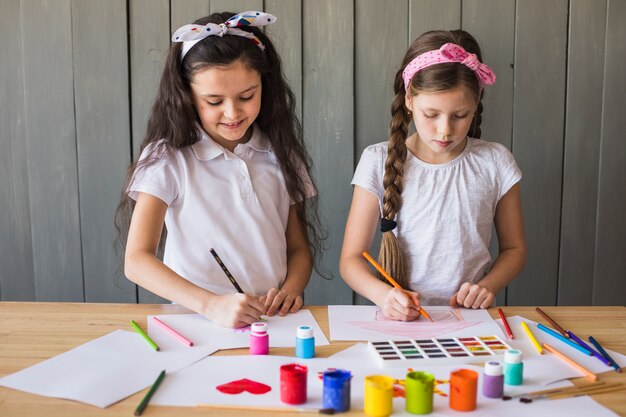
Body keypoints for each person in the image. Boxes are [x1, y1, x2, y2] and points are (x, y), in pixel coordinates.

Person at [115, 11, 324, 328]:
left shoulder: (281, 152)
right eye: (213, 101)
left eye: (246, 96)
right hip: (195, 321)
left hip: (273, 321)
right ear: (186, 96)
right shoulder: (168, 158)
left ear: (264, 86)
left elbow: (297, 249)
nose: (232, 112)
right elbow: (136, 261)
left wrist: (290, 290)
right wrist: (211, 306)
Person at [340, 30, 526, 321]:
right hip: (400, 319)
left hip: (470, 319)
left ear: (476, 105)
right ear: (409, 100)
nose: (445, 130)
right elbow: (351, 260)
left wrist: (486, 286)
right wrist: (384, 296)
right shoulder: (377, 160)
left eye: (460, 115)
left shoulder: (495, 162)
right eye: (431, 114)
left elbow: (514, 249)